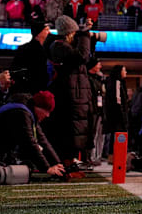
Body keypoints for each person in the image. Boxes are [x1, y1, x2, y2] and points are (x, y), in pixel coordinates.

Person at [0, 91, 65, 178]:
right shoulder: (21, 113)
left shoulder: (28, 111)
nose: (47, 115)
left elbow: (42, 140)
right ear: (38, 107)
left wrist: (58, 163)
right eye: (47, 111)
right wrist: (47, 168)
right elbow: (29, 143)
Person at [44, 15, 93, 175]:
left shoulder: (65, 46)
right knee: (68, 131)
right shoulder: (58, 46)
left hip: (75, 96)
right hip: (69, 97)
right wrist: (85, 35)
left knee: (74, 131)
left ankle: (70, 161)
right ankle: (66, 163)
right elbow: (82, 56)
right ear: (69, 33)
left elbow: (86, 57)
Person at [9, 20, 52, 95]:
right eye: (46, 30)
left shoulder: (50, 49)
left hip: (46, 90)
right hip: (30, 90)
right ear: (38, 33)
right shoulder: (24, 49)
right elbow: (15, 69)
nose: (49, 32)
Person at [103, 65, 129, 160]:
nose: (126, 72)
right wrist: (122, 115)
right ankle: (116, 156)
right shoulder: (117, 83)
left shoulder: (115, 82)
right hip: (117, 116)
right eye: (124, 70)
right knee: (118, 135)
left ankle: (113, 156)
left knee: (115, 135)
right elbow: (117, 101)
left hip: (115, 115)